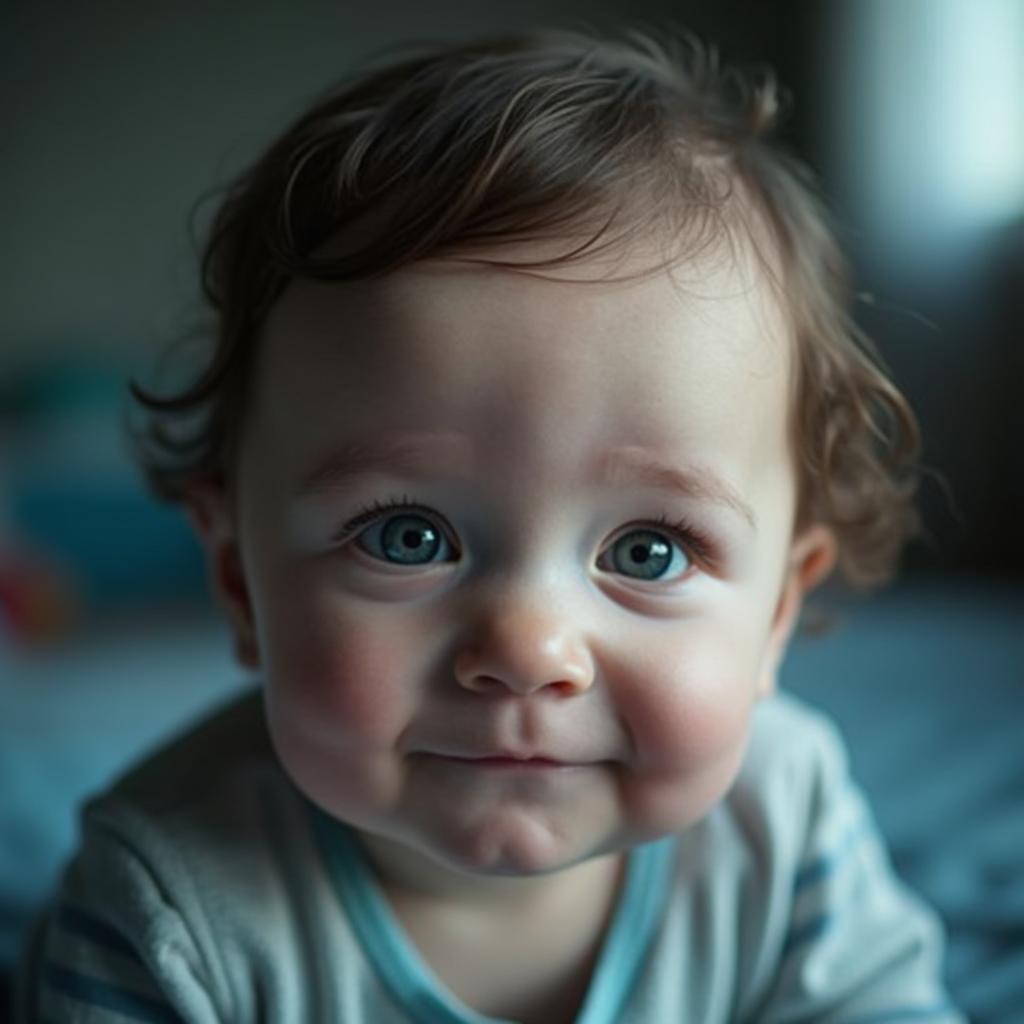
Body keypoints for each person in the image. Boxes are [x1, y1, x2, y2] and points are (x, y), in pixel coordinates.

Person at [17, 24, 966, 1023]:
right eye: (407, 537)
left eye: (647, 551)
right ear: (238, 580)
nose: (527, 649)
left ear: (777, 611)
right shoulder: (165, 909)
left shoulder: (784, 823)